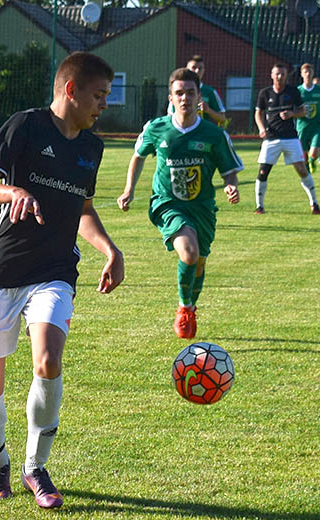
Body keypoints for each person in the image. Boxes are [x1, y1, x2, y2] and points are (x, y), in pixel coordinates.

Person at [0, 51, 124, 509]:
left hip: (54, 272)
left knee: (49, 360)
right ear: (71, 90)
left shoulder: (92, 148)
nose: (104, 104)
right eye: (99, 95)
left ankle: (36, 466)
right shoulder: (25, 126)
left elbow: (82, 209)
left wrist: (110, 250)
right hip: (2, 271)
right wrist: (10, 190)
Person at [117, 67, 241, 339]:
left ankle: (191, 306)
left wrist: (230, 184)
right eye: (179, 93)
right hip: (167, 204)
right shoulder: (156, 128)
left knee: (199, 262)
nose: (185, 98)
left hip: (202, 208)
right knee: (189, 253)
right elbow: (138, 156)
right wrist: (129, 190)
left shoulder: (214, 135)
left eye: (190, 93)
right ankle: (184, 308)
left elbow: (229, 170)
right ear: (171, 98)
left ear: (199, 97)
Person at [254, 63, 320, 215]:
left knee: (302, 169)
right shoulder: (265, 93)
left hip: (290, 137)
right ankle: (259, 206)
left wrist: (292, 114)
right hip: (271, 138)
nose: (280, 77)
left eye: (283, 74)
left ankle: (314, 203)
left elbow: (303, 111)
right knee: (263, 172)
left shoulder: (293, 91)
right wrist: (261, 128)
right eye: (277, 74)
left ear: (286, 76)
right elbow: (258, 113)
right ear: (271, 75)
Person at [167, 55, 227, 127]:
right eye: (194, 68)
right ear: (187, 69)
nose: (197, 71)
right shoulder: (178, 89)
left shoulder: (210, 91)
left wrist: (208, 110)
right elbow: (170, 115)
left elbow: (222, 118)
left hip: (202, 132)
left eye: (200, 68)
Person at [297, 64, 320, 173]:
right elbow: (292, 107)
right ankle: (307, 172)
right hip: (302, 126)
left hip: (316, 125)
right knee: (303, 154)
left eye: (310, 72)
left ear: (313, 73)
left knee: (314, 153)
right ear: (302, 74)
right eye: (306, 72)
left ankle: (312, 161)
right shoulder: (298, 90)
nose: (308, 74)